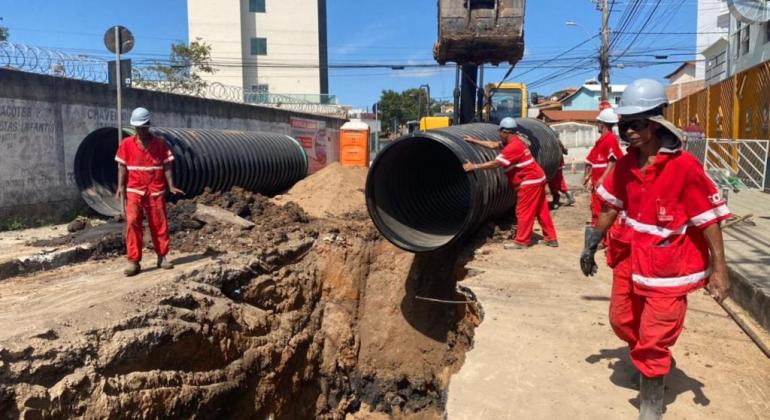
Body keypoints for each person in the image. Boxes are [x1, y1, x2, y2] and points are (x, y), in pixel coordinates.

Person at [579, 79, 731, 420]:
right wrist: (591, 244)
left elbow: (709, 220)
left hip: (669, 265)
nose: (629, 132)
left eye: (636, 124)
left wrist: (720, 270)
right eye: (624, 126)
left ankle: (651, 400)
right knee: (621, 320)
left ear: (656, 122)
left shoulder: (684, 168)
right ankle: (649, 358)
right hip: (632, 257)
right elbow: (610, 207)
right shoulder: (627, 165)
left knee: (654, 334)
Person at [463, 117, 558, 249]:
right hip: (538, 177)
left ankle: (521, 241)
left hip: (529, 181)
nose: (499, 135)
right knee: (541, 210)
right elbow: (493, 145)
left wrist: (474, 167)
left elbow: (496, 163)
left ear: (505, 132)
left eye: (500, 132)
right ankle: (551, 238)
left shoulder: (513, 147)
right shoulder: (515, 141)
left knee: (523, 211)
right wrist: (474, 141)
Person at [115, 107, 184, 276]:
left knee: (159, 224)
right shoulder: (126, 144)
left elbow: (167, 165)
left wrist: (171, 185)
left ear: (148, 126)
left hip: (155, 189)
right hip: (135, 189)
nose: (141, 130)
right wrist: (120, 186)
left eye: (143, 127)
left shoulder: (160, 144)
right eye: (138, 127)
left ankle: (162, 256)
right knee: (132, 223)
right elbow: (122, 166)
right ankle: (134, 261)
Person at [584, 108, 624, 226]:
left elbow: (613, 161)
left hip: (604, 182)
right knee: (596, 207)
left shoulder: (610, 139)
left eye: (598, 123)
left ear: (602, 124)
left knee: (602, 209)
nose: (597, 125)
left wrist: (602, 179)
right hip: (597, 181)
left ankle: (601, 239)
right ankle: (597, 236)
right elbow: (592, 161)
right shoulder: (601, 141)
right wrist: (589, 177)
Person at [548, 138, 575, 209]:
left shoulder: (554, 141)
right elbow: (565, 152)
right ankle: (567, 195)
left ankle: (556, 200)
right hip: (555, 165)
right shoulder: (553, 140)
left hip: (556, 165)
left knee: (555, 183)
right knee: (558, 182)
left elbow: (565, 152)